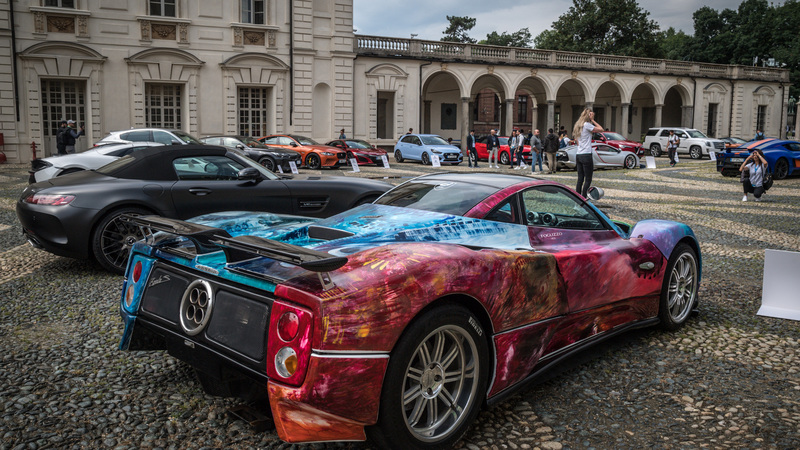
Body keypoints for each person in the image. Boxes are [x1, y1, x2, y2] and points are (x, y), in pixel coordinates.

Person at [573, 108, 604, 198]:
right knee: (588, 179)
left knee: (580, 179)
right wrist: (593, 120)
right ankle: (583, 198)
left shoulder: (578, 125)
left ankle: (577, 198)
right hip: (586, 154)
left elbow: (577, 141)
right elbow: (601, 129)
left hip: (579, 154)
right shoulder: (587, 125)